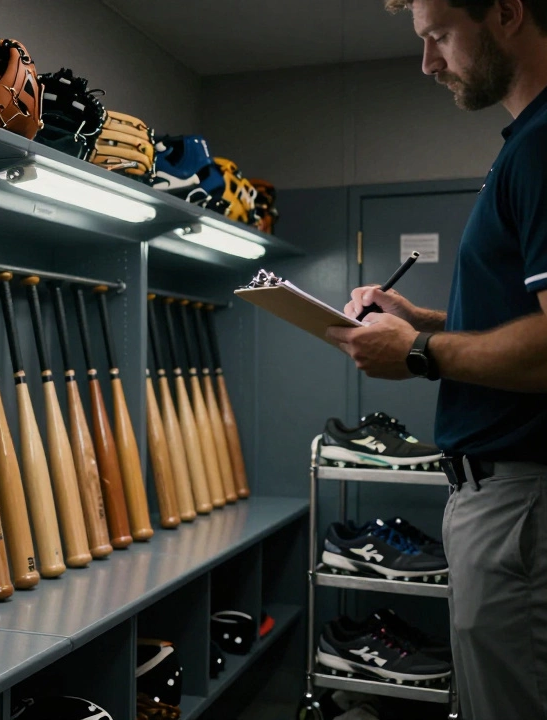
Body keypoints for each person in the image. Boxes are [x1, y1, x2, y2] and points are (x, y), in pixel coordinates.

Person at [328, 0, 547, 715]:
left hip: (521, 503)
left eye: (440, 37)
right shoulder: (524, 145)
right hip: (502, 499)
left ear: (508, 12)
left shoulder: (544, 146)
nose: (428, 63)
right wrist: (421, 320)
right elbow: (521, 324)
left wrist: (418, 352)